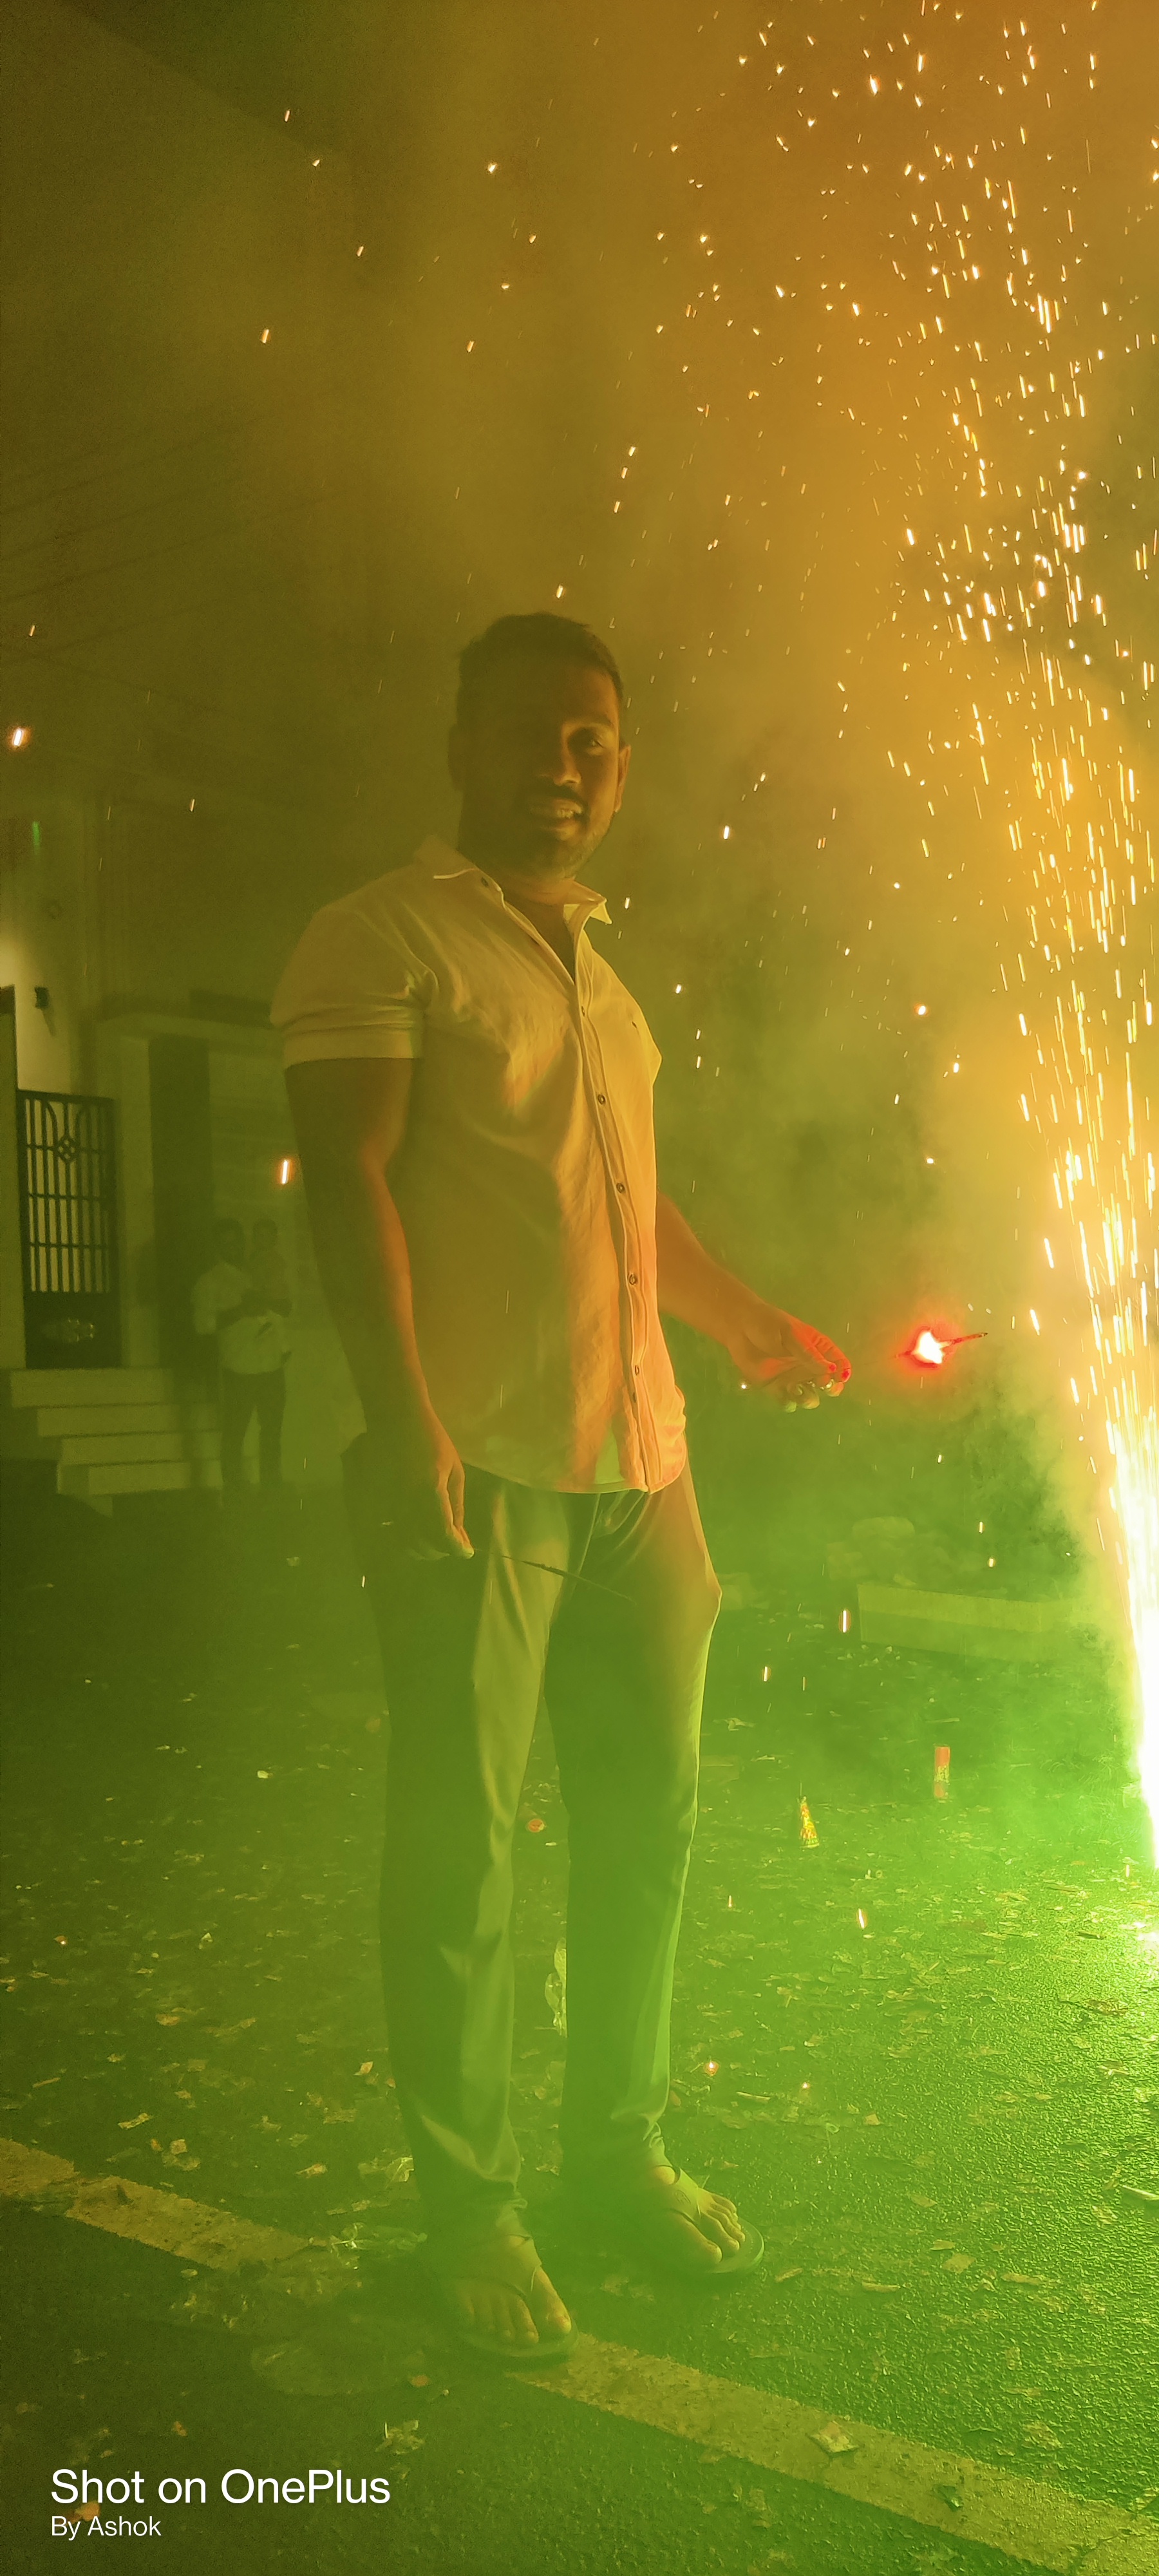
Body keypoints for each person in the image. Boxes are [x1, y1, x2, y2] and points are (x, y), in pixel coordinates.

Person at [272, 611, 848, 2363]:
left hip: (640, 1470)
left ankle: (617, 2155)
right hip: (482, 1468)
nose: (567, 764)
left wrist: (744, 1322)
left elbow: (627, 1200)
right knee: (461, 1854)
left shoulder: (601, 978)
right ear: (463, 744)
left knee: (643, 1827)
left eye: (596, 739)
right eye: (533, 730)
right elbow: (348, 1179)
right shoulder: (380, 937)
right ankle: (472, 2209)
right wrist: (405, 1420)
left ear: (623, 766)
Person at [192, 1215, 290, 1494]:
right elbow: (202, 1325)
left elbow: (280, 1308)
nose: (233, 1248)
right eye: (226, 1244)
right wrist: (239, 1311)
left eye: (237, 1242)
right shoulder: (210, 1282)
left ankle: (271, 1487)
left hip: (271, 1364)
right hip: (239, 1368)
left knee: (272, 1432)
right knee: (235, 1433)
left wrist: (283, 1346)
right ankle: (235, 1491)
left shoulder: (259, 1271)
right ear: (217, 1247)